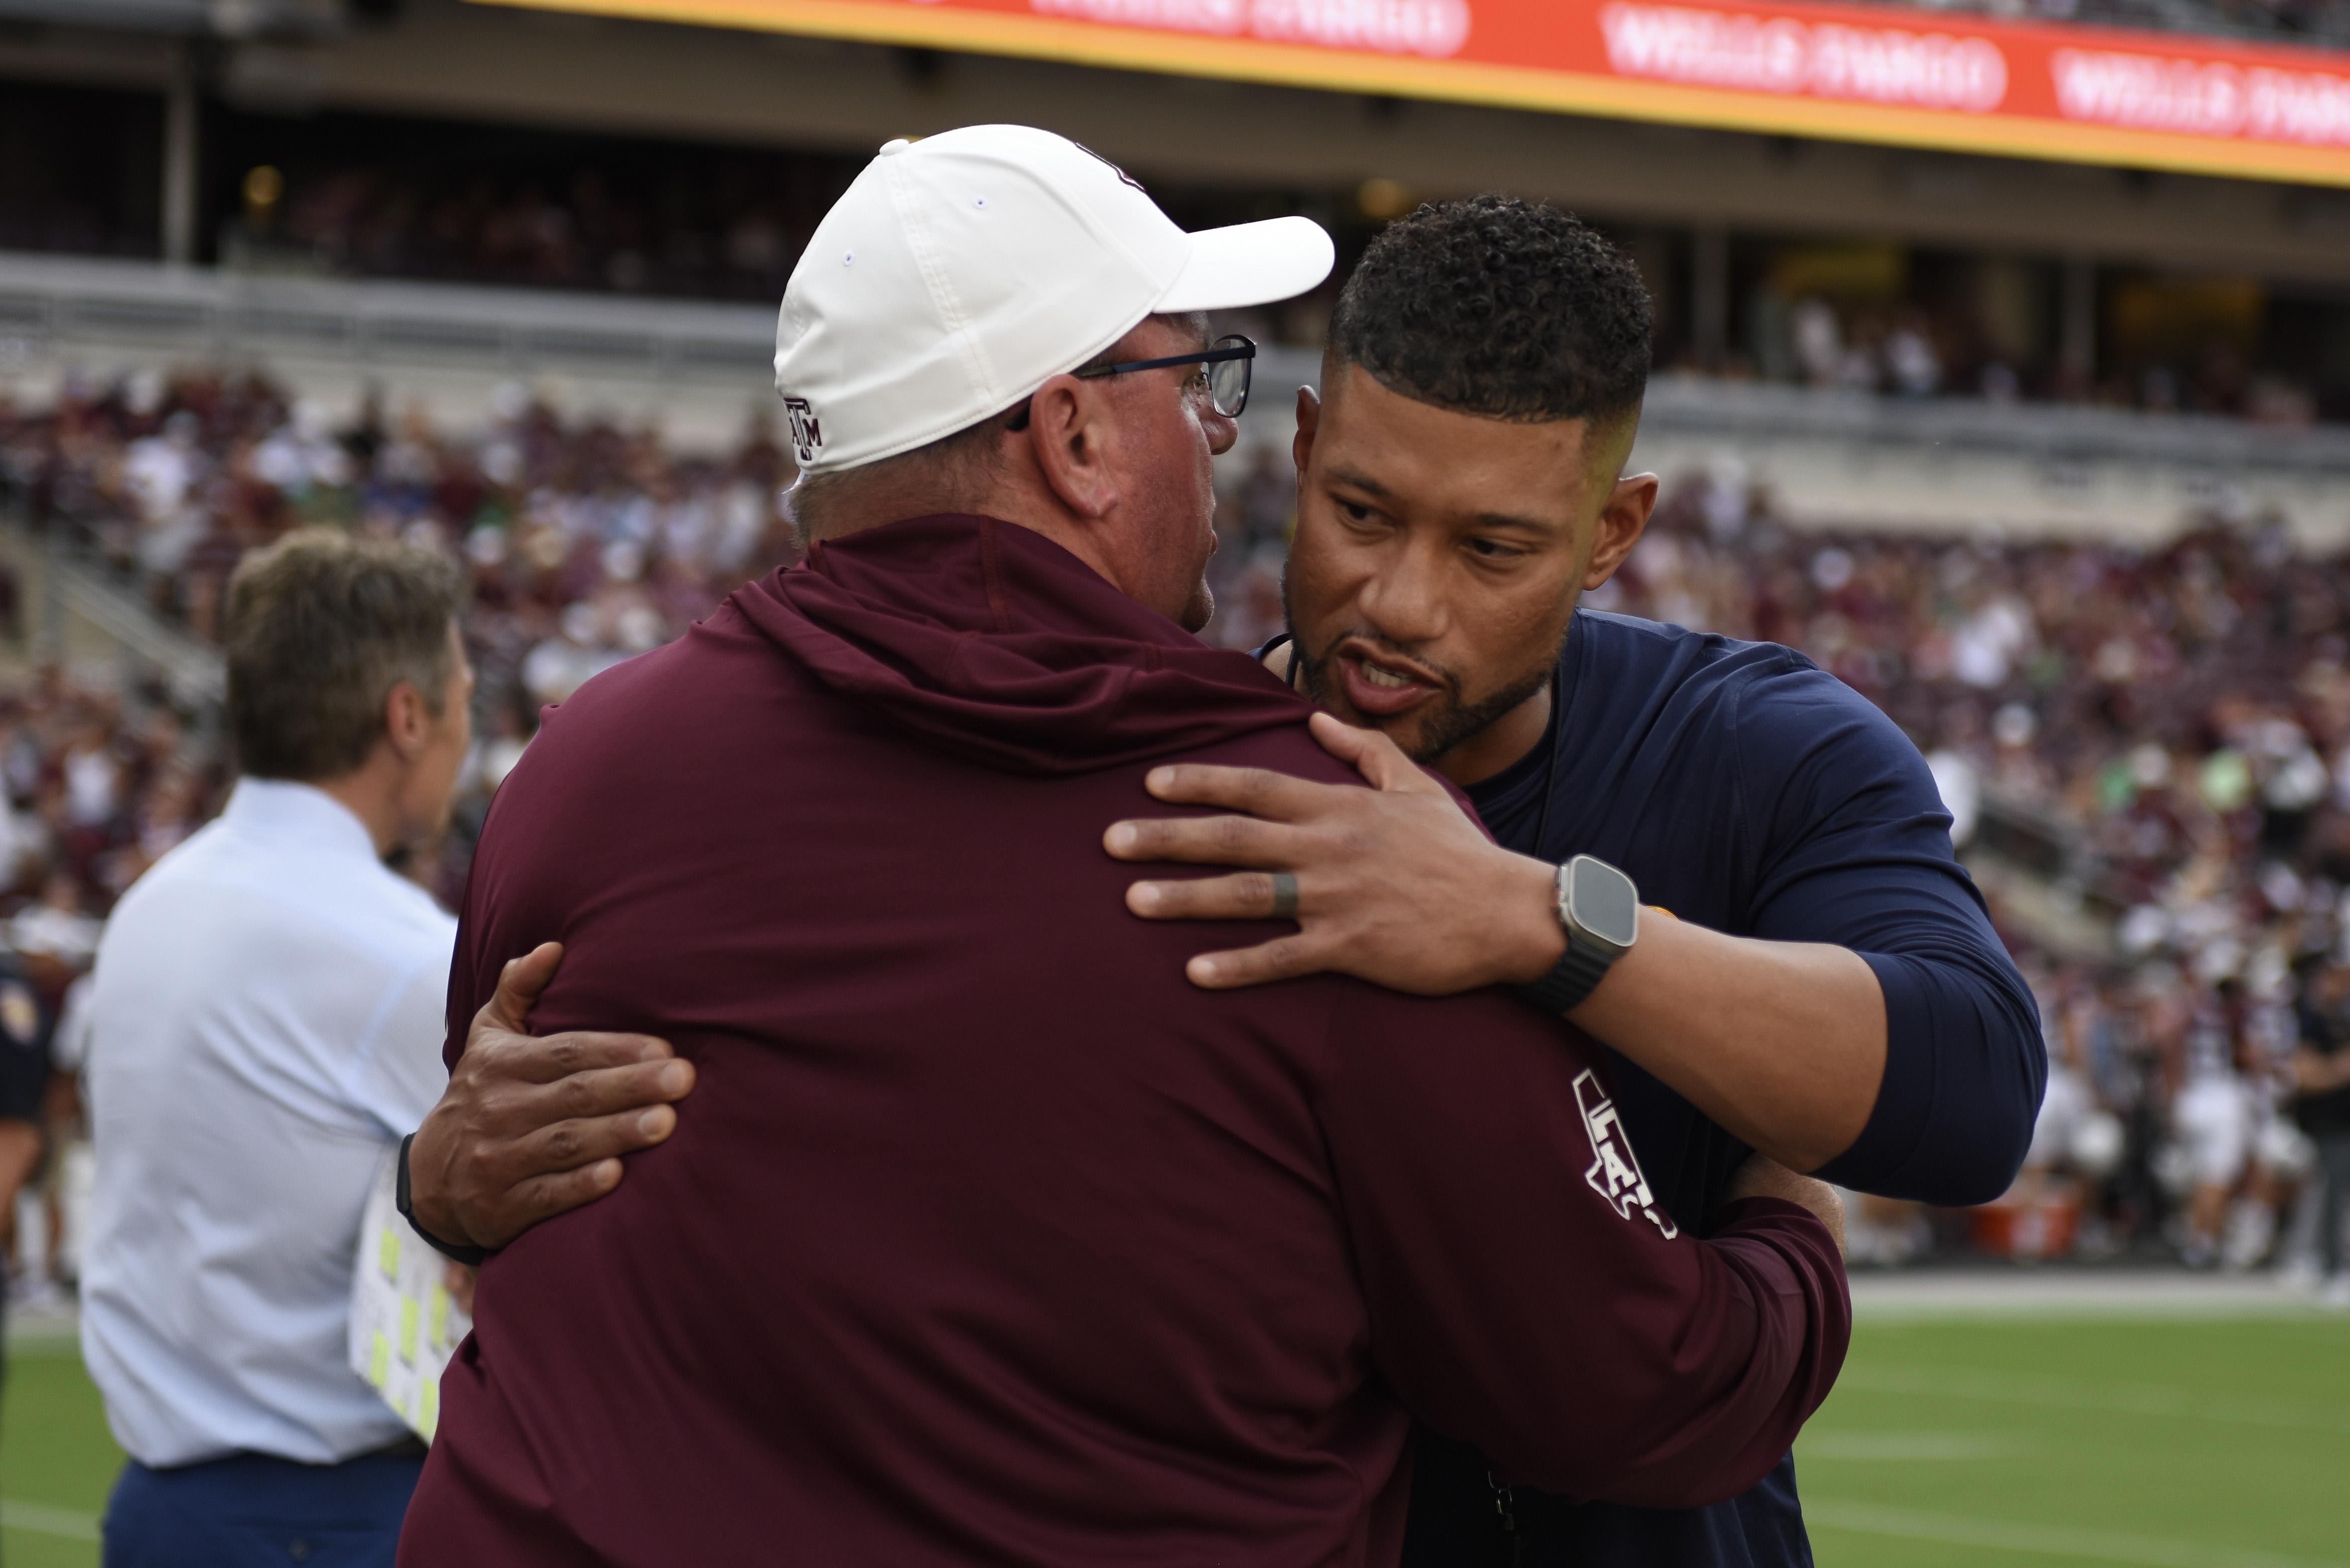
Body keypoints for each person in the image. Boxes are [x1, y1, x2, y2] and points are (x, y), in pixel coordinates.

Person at [408, 194, 2031, 1564]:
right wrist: (436, 1186)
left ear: (1609, 534)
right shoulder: (1226, 790)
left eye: (1492, 550)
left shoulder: (1758, 747)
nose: (1398, 603)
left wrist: (1539, 922)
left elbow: (1968, 1097)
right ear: (1300, 448)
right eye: (1358, 511)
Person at [80, 530, 474, 1567]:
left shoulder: (149, 909)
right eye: (462, 703)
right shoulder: (399, 953)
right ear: (405, 715)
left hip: (160, 1508)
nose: (465, 739)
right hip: (328, 1515)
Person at [2292, 961, 2350, 1306]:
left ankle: (2319, 1261)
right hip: (2324, 1123)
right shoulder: (2310, 1020)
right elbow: (2305, 1074)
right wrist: (2339, 1069)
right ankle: (2330, 1267)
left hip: (2343, 1120)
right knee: (2330, 1195)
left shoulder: (2339, 1020)